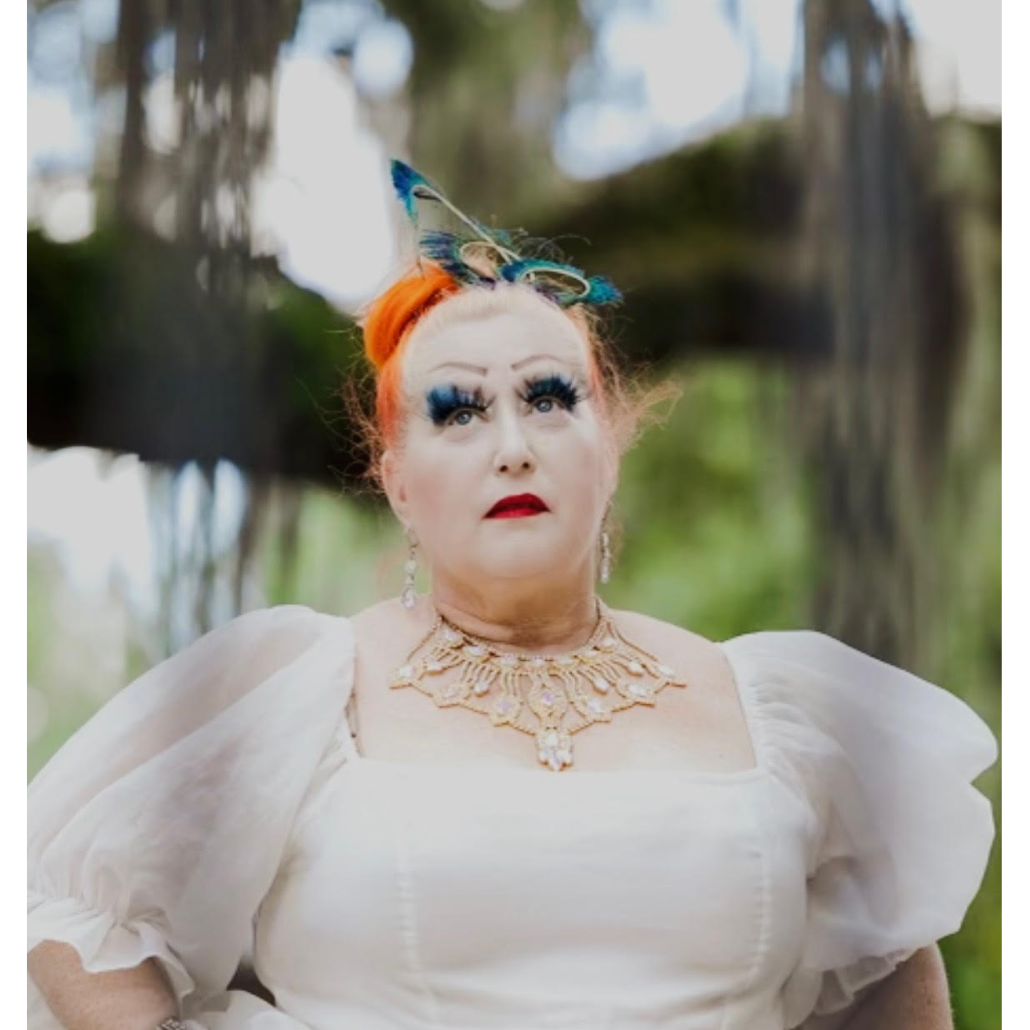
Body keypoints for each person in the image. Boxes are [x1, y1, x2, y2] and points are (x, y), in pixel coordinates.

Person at [28, 161, 998, 1030]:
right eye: (457, 412)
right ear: (396, 481)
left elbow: (884, 969)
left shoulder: (779, 709)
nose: (512, 446)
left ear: (609, 445)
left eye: (549, 398)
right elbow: (70, 912)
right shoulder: (299, 689)